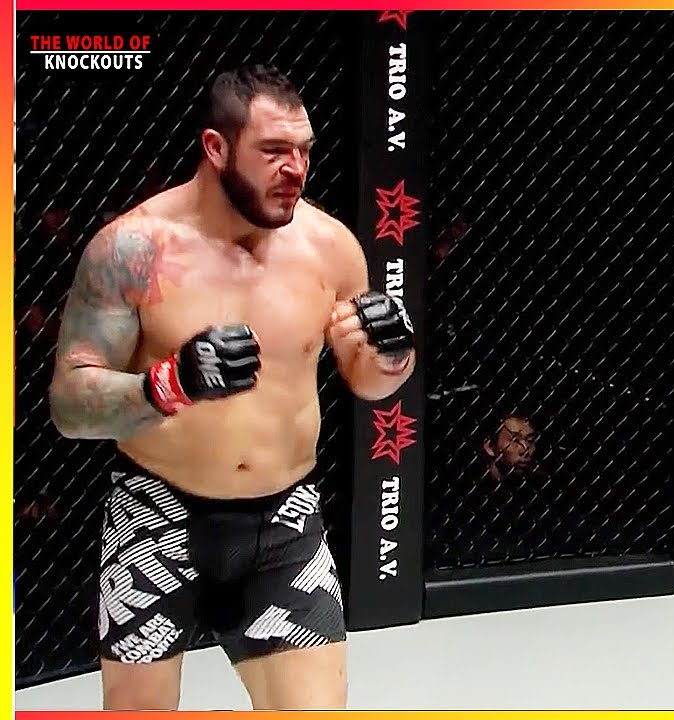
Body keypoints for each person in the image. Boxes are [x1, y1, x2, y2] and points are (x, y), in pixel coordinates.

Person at [48, 64, 415, 710]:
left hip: (285, 520)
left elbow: (370, 383)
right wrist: (171, 384)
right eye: (273, 151)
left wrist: (393, 356)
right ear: (216, 148)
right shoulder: (133, 250)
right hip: (156, 515)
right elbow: (70, 406)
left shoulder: (330, 247)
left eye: (304, 151)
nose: (296, 170)